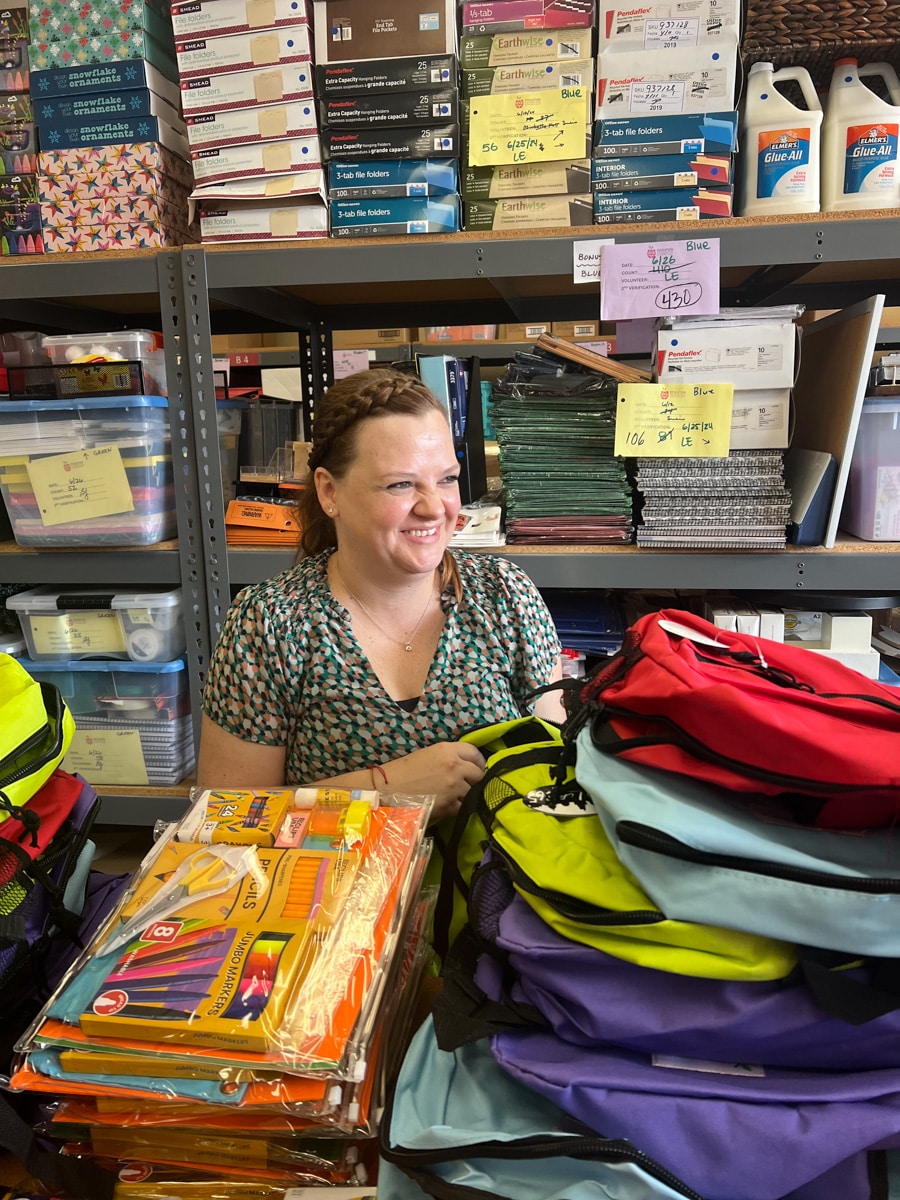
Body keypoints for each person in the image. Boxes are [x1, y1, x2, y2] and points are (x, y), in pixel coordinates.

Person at [197, 367, 564, 822]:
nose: (435, 507)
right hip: (335, 870)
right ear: (329, 492)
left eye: (447, 479)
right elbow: (224, 817)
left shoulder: (504, 595)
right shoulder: (271, 623)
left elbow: (558, 775)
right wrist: (386, 791)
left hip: (500, 867)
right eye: (400, 484)